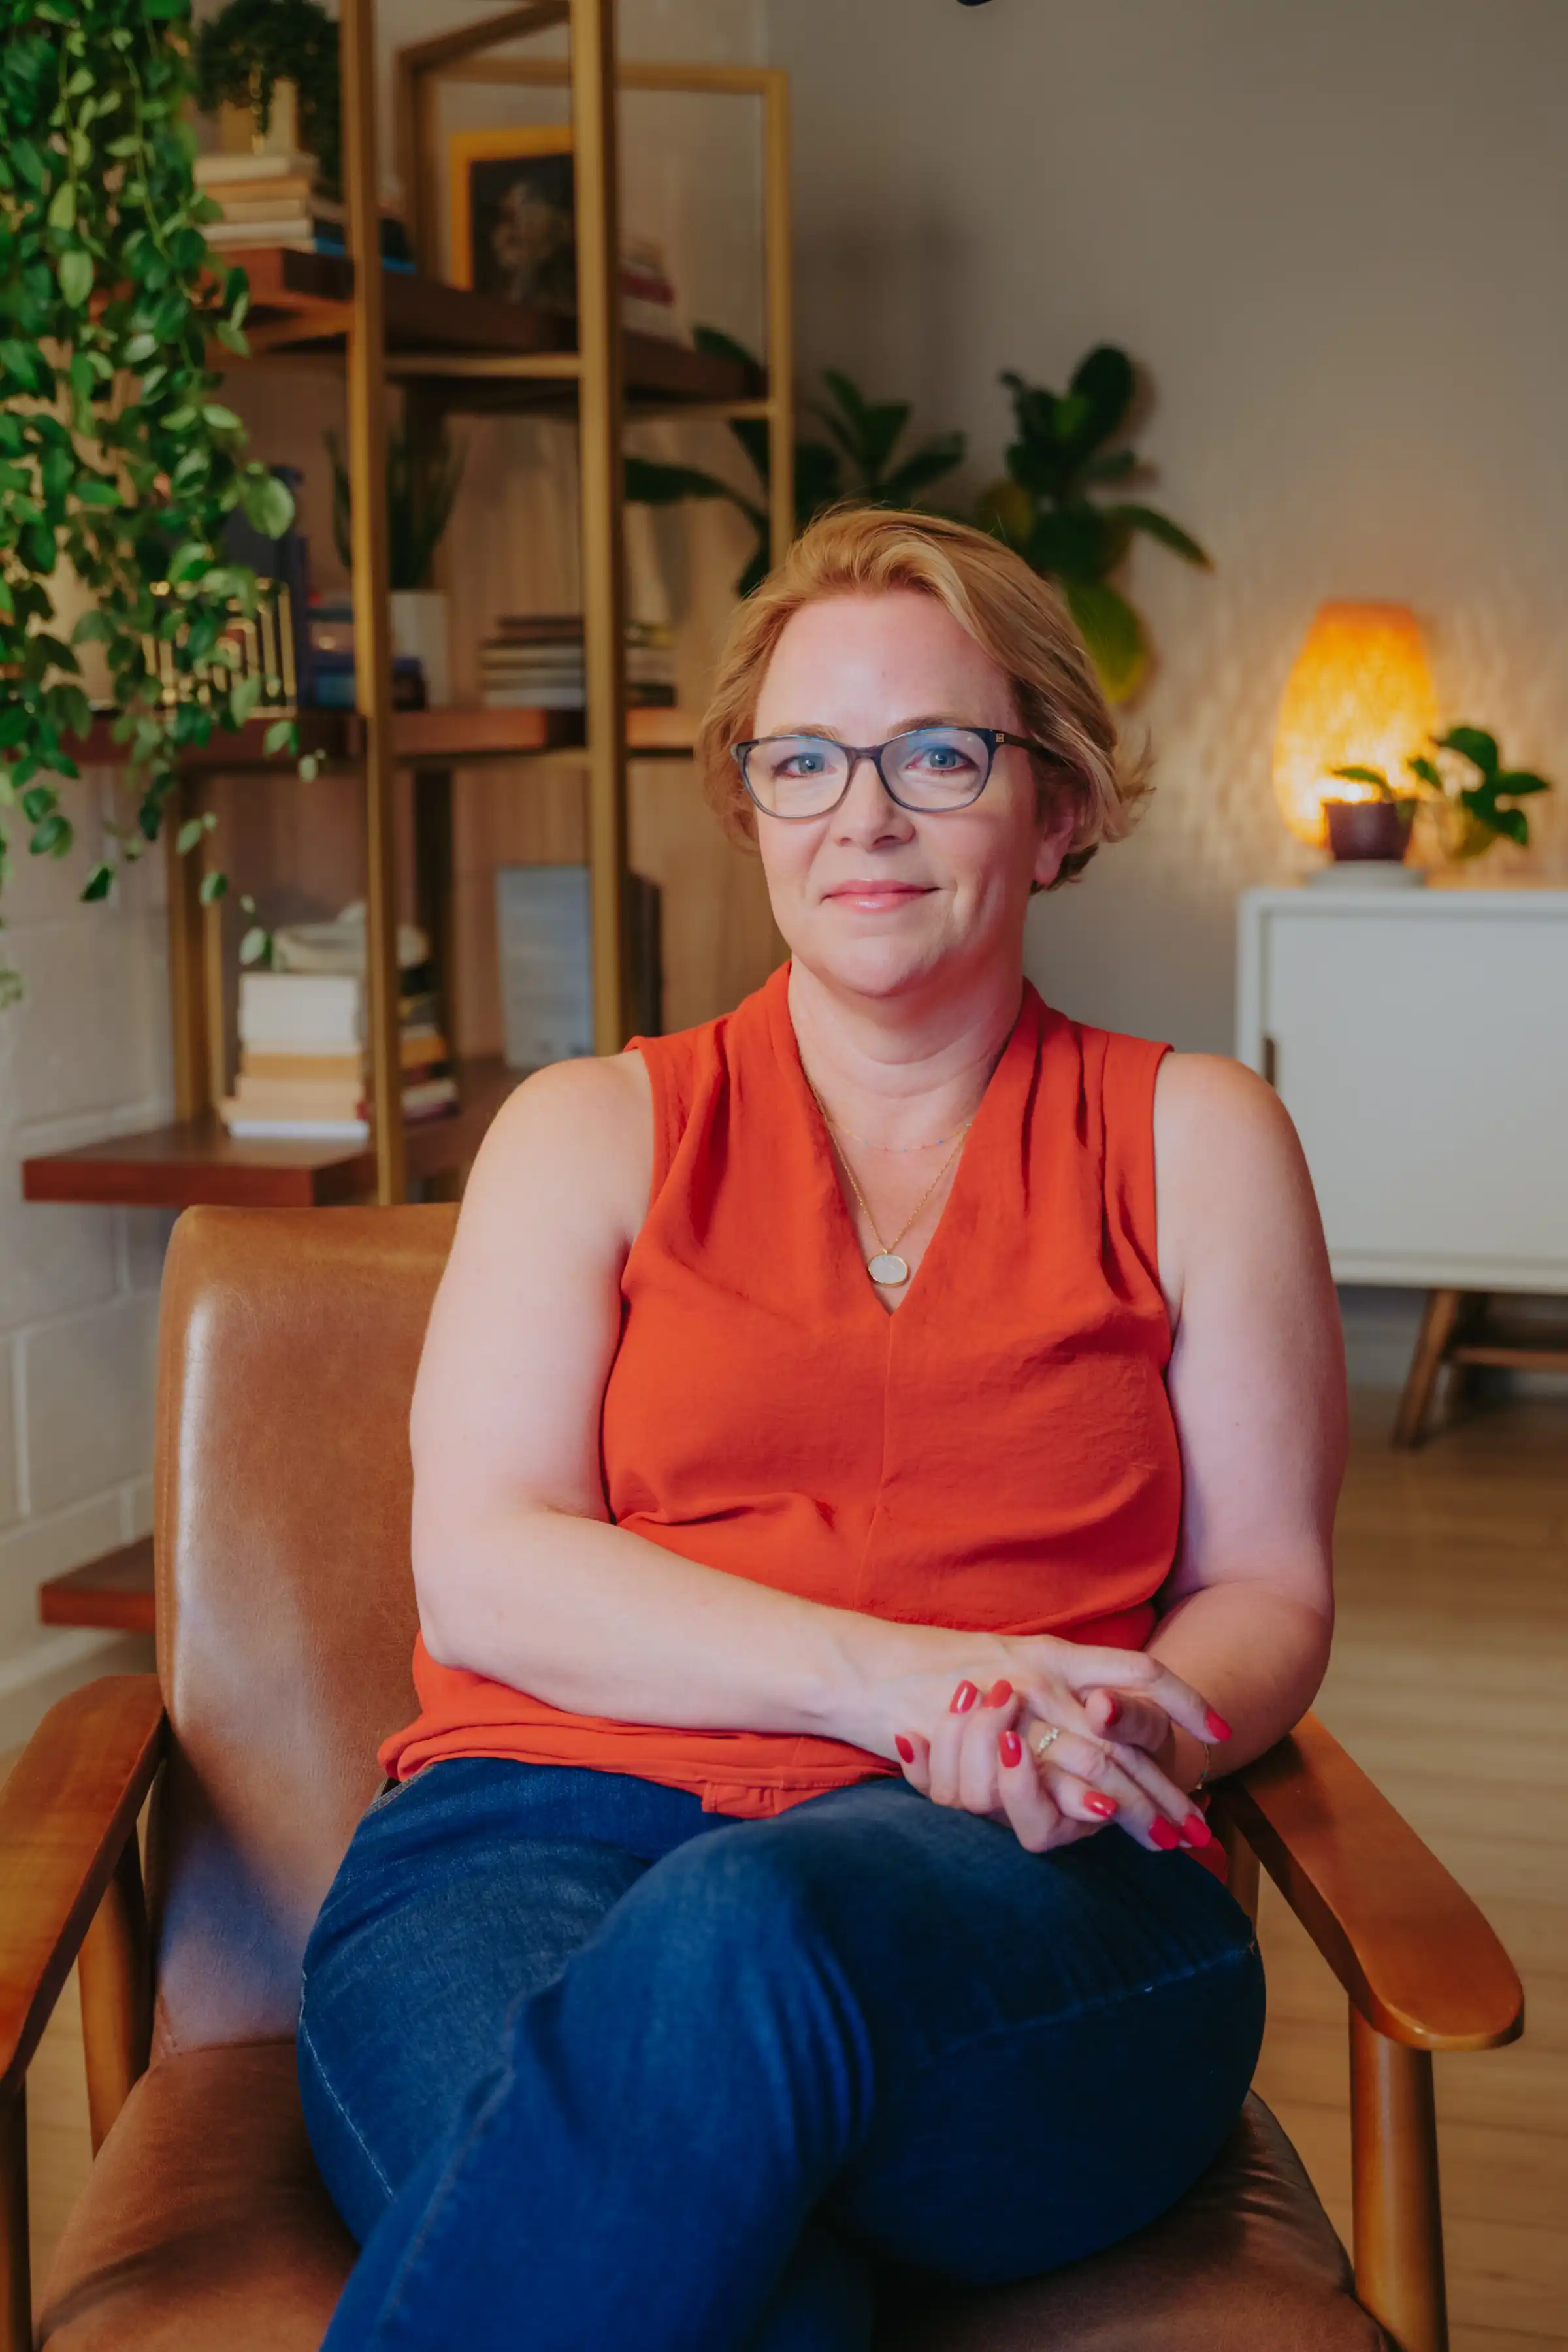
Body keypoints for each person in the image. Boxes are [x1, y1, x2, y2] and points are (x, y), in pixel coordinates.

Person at [298, 508, 1345, 2352]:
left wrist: (1113, 1720)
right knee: (747, 2284)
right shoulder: (585, 1130)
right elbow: (482, 1567)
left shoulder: (1199, 1140)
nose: (862, 816)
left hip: (1017, 1881)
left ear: (1064, 803)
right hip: (521, 1844)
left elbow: (1266, 1588)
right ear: (754, 805)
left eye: (938, 754)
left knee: (742, 1936)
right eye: (805, 761)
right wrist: (905, 1683)